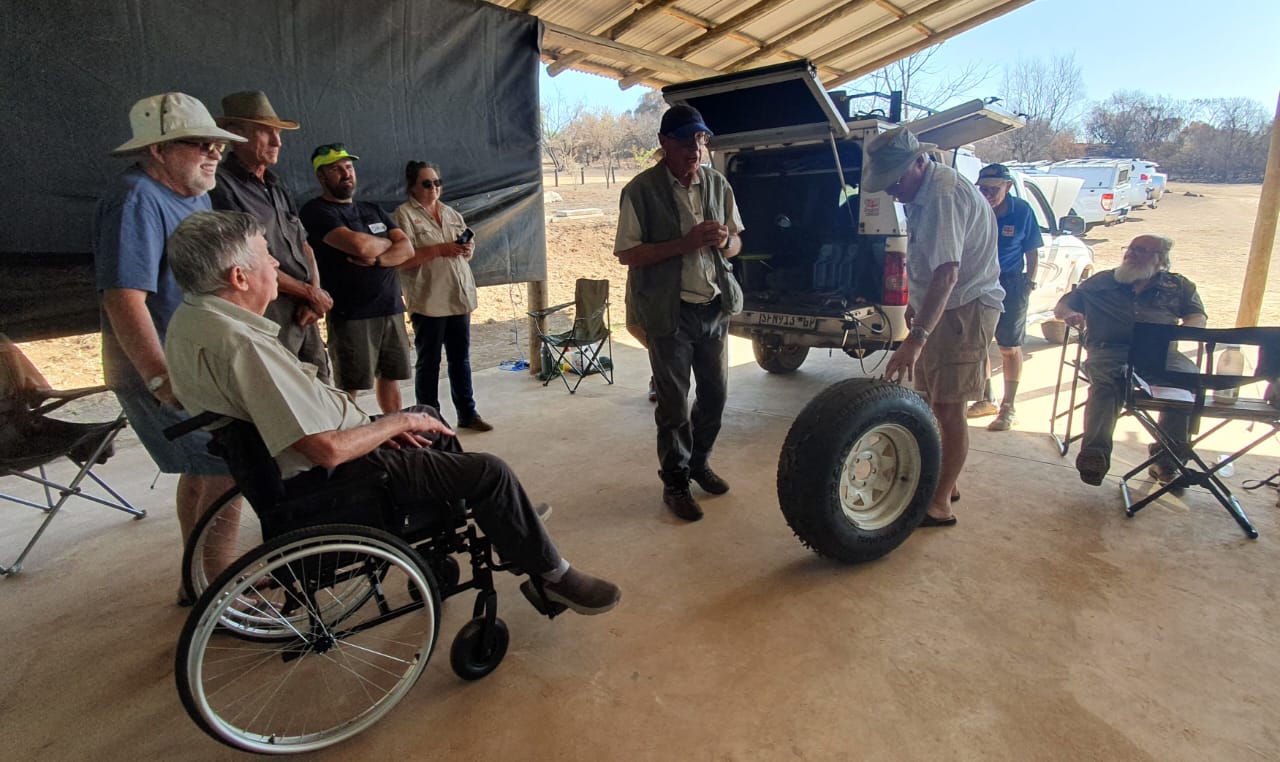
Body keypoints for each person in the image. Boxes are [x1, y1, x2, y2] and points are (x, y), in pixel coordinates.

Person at [162, 210, 622, 615]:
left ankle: (500, 518)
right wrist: (393, 423)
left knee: (427, 417)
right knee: (489, 470)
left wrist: (386, 424)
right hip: (337, 479)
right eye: (268, 258)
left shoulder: (193, 319)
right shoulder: (243, 347)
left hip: (302, 463)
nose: (277, 266)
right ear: (239, 277)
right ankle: (551, 574)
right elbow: (325, 450)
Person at [93, 92, 246, 596]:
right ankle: (221, 590)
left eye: (218, 144)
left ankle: (195, 580)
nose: (215, 153)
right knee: (230, 463)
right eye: (200, 144)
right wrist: (160, 377)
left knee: (200, 469)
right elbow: (123, 297)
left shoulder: (194, 194)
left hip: (194, 362)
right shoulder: (136, 199)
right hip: (159, 367)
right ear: (157, 150)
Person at [864, 127, 1004, 528]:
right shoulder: (919, 191)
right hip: (942, 304)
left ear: (918, 162)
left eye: (896, 181)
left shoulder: (944, 194)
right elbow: (924, 256)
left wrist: (916, 338)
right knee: (932, 398)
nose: (892, 191)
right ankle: (947, 481)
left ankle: (940, 503)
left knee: (949, 405)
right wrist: (914, 302)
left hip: (965, 308)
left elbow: (948, 273)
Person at [614, 104, 744, 522]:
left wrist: (725, 242)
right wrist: (683, 244)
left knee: (715, 396)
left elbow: (737, 243)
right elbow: (628, 254)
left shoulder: (717, 183)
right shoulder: (640, 191)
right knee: (673, 406)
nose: (695, 149)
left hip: (714, 307)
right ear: (664, 143)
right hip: (670, 312)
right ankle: (675, 482)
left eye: (701, 140)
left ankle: (699, 463)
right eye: (687, 141)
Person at [1054, 234, 1206, 488]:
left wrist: (1188, 329)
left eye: (1141, 250)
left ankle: (1168, 461)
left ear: (1160, 259)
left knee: (1186, 383)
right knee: (1108, 383)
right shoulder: (1102, 281)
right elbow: (1062, 307)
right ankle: (1094, 456)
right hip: (1109, 351)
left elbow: (1197, 316)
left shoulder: (1178, 286)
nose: (1132, 254)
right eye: (1131, 248)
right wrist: (1071, 314)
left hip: (1161, 353)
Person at [210, 90, 333, 382]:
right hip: (268, 314)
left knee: (322, 390)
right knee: (282, 390)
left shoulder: (276, 185)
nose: (277, 142)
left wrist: (313, 295)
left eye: (278, 133)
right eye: (265, 132)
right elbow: (245, 260)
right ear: (235, 134)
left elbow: (303, 244)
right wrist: (309, 294)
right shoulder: (222, 187)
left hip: (303, 313)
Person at [299, 144, 413, 414]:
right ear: (321, 176)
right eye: (335, 169)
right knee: (350, 384)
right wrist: (387, 244)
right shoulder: (316, 211)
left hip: (390, 306)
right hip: (351, 313)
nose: (346, 173)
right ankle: (347, 432)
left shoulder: (372, 209)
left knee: (391, 376)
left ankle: (395, 427)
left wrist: (377, 259)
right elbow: (358, 246)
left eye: (349, 167)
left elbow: (407, 248)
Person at [392, 161, 492, 431]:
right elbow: (401, 259)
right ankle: (428, 420)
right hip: (428, 301)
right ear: (412, 187)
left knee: (461, 359)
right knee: (429, 362)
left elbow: (466, 250)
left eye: (437, 183)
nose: (434, 188)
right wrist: (439, 250)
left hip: (458, 296)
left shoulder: (450, 213)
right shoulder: (402, 216)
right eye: (427, 183)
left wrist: (466, 248)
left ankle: (467, 413)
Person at [966, 163, 1043, 431]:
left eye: (993, 190)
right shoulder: (975, 207)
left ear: (1007, 187)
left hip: (1011, 282)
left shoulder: (1021, 210)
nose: (987, 194)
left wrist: (1029, 282)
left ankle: (1008, 407)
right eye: (983, 189)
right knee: (979, 344)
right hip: (979, 282)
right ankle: (986, 398)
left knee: (1008, 346)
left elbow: (1032, 250)